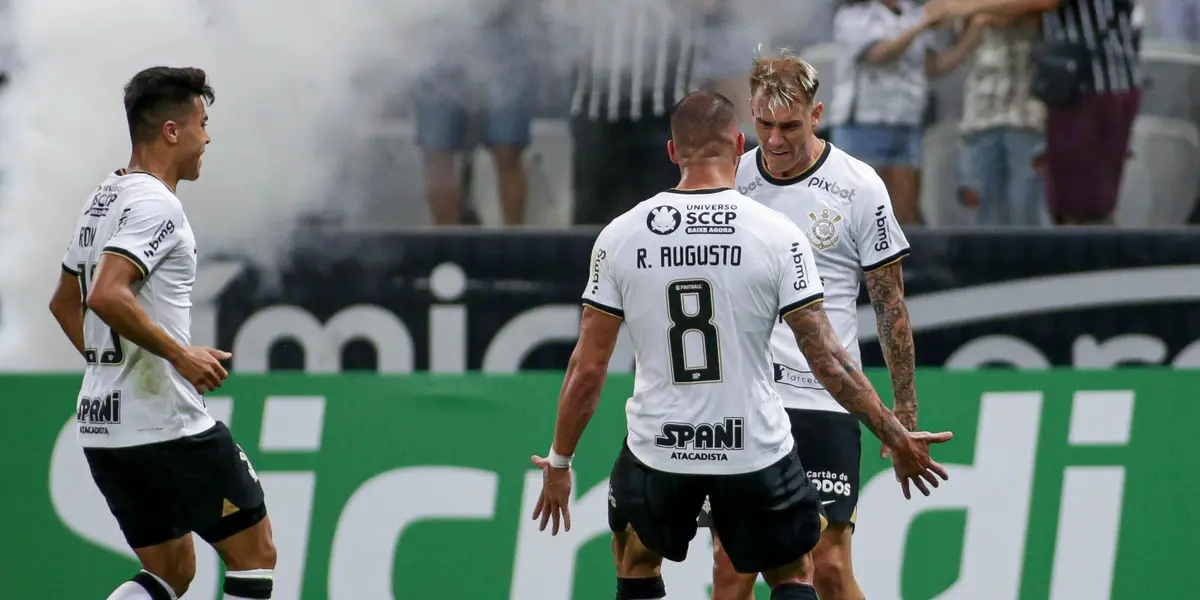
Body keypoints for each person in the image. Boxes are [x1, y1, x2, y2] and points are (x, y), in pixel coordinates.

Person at [526, 90, 952, 600]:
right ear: (738, 143)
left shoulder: (621, 236)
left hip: (661, 446)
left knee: (637, 559)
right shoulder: (776, 234)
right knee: (794, 571)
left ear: (670, 152)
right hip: (750, 448)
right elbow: (829, 360)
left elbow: (587, 369)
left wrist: (559, 461)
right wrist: (895, 431)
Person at [47, 67, 277, 600]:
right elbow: (105, 294)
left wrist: (116, 366)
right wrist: (180, 356)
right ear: (172, 131)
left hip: (102, 425)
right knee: (254, 554)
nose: (208, 137)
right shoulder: (157, 204)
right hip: (163, 423)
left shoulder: (102, 199)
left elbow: (65, 303)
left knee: (171, 570)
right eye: (202, 122)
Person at [708, 52, 922, 600]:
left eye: (789, 126)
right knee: (733, 567)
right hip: (747, 399)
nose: (774, 141)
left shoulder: (859, 187)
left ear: (817, 114)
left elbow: (891, 306)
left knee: (826, 563)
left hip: (827, 398)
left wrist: (903, 412)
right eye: (763, 125)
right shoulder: (728, 181)